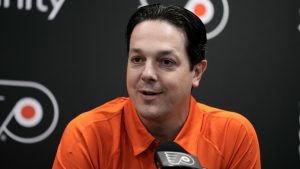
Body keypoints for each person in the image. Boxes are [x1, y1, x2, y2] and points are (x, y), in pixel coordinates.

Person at [52, 4, 261, 169]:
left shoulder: (233, 135)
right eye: (137, 59)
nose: (147, 74)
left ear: (196, 72)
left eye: (166, 62)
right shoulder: (87, 134)